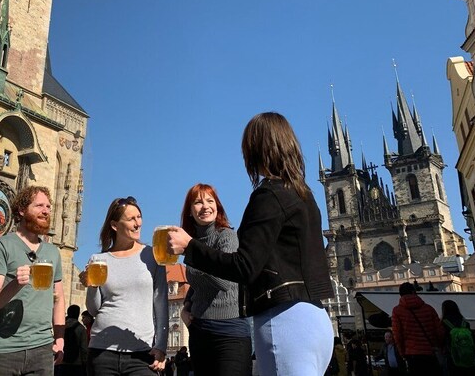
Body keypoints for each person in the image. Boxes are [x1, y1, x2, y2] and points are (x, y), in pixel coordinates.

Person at [168, 112, 334, 376]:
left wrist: (189, 247)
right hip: (317, 320)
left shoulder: (268, 195)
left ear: (256, 149)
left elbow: (245, 266)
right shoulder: (304, 194)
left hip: (285, 321)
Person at [0, 185, 65, 376]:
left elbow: (58, 298)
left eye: (48, 206)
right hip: (2, 349)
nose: (46, 211)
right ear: (21, 210)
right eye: (39, 206)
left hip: (42, 349)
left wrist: (59, 339)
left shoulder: (53, 252)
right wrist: (15, 285)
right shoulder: (1, 246)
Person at [81, 196, 168, 375]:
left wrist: (161, 346)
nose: (138, 223)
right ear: (114, 225)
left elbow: (161, 304)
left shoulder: (152, 255)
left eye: (139, 217)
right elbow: (94, 310)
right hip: (102, 350)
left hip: (142, 352)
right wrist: (91, 285)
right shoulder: (99, 260)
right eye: (131, 219)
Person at [179, 183, 252, 376]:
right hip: (199, 330)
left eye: (210, 201)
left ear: (217, 207)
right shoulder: (193, 242)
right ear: (189, 211)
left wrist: (190, 251)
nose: (205, 206)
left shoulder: (226, 236)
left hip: (230, 331)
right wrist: (185, 308)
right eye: (198, 202)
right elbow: (196, 284)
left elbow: (225, 281)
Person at [391, 282, 443, 376]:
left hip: (412, 354)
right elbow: (439, 331)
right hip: (430, 352)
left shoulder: (397, 311)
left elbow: (397, 335)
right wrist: (438, 346)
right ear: (414, 292)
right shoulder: (429, 308)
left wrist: (402, 353)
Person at [441, 300, 475, 375]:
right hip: (468, 357)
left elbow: (442, 339)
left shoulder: (443, 323)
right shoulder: (465, 323)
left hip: (453, 357)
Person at [57, 305, 88, 376]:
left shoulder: (61, 326)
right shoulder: (81, 328)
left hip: (62, 361)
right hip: (76, 363)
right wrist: (85, 362)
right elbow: (84, 347)